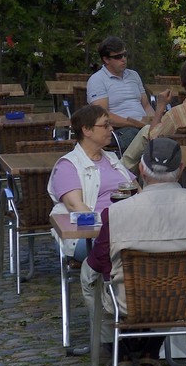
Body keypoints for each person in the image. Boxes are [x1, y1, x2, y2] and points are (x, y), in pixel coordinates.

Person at [86, 137, 186, 366]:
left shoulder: (117, 212)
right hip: (185, 301)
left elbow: (100, 263)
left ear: (141, 169)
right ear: (181, 168)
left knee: (90, 277)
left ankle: (117, 354)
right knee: (163, 286)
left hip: (128, 302)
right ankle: (148, 354)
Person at [49, 104, 136, 261]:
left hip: (128, 228)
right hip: (87, 236)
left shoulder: (113, 159)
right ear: (86, 130)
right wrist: (114, 227)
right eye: (105, 125)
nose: (111, 129)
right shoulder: (68, 166)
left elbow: (139, 192)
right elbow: (77, 207)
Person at [87, 36, 171, 153]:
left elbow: (146, 106)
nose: (123, 59)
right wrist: (135, 124)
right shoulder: (97, 80)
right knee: (138, 136)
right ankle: (142, 169)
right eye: (118, 56)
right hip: (118, 130)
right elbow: (102, 115)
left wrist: (155, 122)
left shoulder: (134, 75)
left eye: (125, 55)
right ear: (106, 59)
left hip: (143, 126)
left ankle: (162, 168)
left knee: (169, 132)